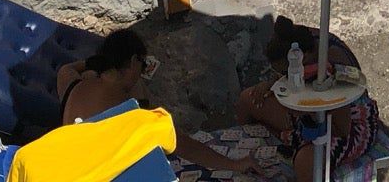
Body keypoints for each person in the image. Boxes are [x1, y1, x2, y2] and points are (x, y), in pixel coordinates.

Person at [59, 30, 266, 177]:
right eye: (143, 64)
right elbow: (184, 146)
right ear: (133, 62)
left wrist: (94, 65)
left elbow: (67, 68)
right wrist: (235, 164)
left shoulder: (70, 84)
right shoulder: (133, 117)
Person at [236, 18, 379, 182]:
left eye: (285, 72)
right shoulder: (295, 42)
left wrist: (304, 111)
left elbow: (342, 128)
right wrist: (270, 84)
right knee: (248, 99)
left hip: (347, 123)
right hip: (304, 112)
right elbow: (287, 79)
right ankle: (244, 157)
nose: (285, 76)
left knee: (306, 160)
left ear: (305, 58)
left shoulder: (332, 61)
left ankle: (295, 149)